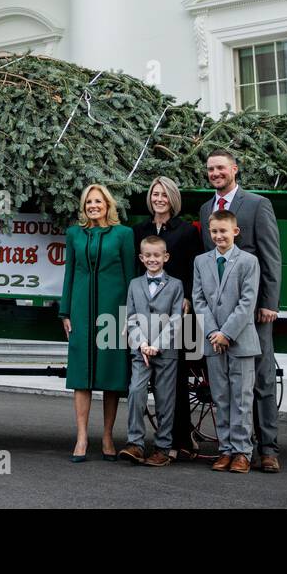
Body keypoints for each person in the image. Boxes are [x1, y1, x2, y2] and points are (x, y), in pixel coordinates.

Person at [198, 148, 283, 473]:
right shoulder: (208, 208)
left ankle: (268, 449)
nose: (215, 173)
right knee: (222, 384)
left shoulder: (257, 205)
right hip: (217, 313)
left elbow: (270, 255)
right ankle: (233, 448)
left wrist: (269, 303)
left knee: (260, 380)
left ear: (234, 168)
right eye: (210, 169)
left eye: (220, 167)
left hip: (252, 310)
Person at [59, 183, 135, 462]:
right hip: (80, 310)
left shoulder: (124, 235)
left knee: (111, 375)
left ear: (108, 205)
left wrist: (131, 315)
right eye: (88, 202)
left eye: (98, 201)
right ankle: (81, 438)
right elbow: (69, 273)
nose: (93, 206)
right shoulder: (74, 234)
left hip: (114, 312)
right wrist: (65, 311)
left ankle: (106, 436)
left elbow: (131, 277)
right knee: (81, 375)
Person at [131, 175, 202, 459]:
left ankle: (178, 440)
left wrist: (186, 297)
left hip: (176, 308)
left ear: (172, 198)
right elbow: (138, 272)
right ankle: (140, 441)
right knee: (141, 380)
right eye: (155, 194)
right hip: (145, 312)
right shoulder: (140, 230)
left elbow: (193, 268)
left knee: (175, 378)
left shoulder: (185, 232)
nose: (158, 199)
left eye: (164, 195)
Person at [192, 209, 261, 474]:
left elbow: (247, 302)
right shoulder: (201, 261)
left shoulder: (248, 261)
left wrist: (226, 333)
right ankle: (225, 450)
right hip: (212, 340)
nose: (219, 236)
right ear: (209, 234)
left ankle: (243, 451)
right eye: (214, 231)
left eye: (223, 231)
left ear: (235, 232)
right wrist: (213, 332)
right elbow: (198, 298)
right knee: (220, 397)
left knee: (241, 398)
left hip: (240, 340)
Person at [118, 235, 184, 467]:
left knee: (165, 399)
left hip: (165, 351)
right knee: (136, 391)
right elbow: (131, 316)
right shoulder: (135, 284)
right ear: (141, 258)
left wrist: (157, 344)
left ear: (165, 257)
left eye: (157, 255)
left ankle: (163, 448)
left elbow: (176, 318)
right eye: (148, 255)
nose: (152, 259)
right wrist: (142, 344)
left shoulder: (176, 285)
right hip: (141, 351)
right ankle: (135, 443)